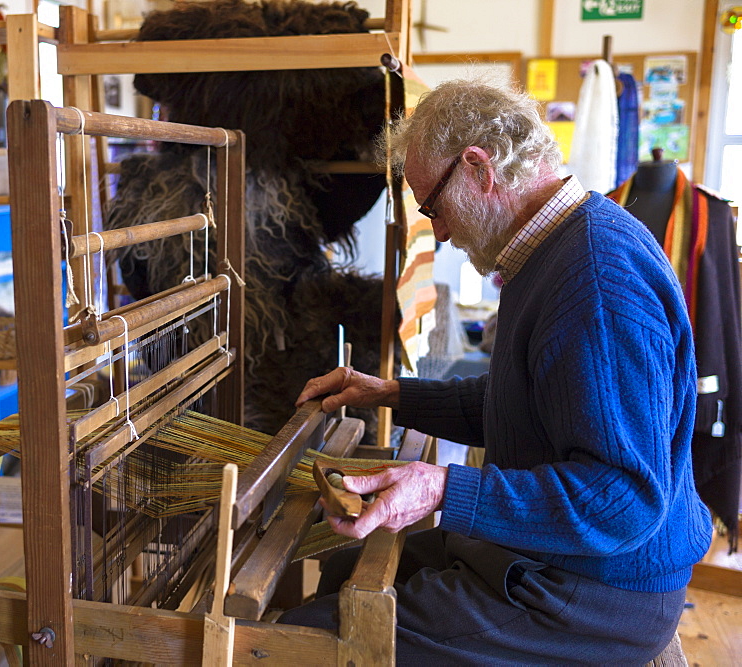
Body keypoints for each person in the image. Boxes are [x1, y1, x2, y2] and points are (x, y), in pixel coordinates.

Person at [281, 80, 712, 663]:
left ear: (480, 168)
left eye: (432, 206)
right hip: (559, 561)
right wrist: (390, 394)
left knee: (304, 642)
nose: (437, 230)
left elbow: (625, 499)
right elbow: (525, 404)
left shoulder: (594, 279)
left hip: (595, 593)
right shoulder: (551, 249)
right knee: (344, 569)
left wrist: (442, 488)